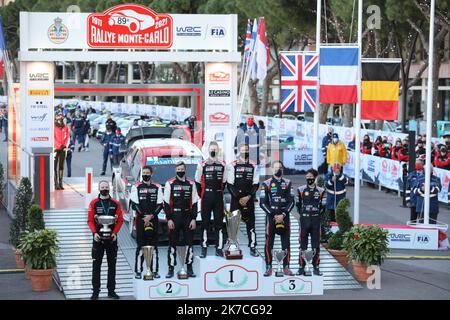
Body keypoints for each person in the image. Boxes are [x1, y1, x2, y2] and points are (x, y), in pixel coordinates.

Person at [87, 181, 123, 300]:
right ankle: (95, 292)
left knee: (112, 266)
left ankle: (111, 291)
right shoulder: (94, 203)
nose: (104, 189)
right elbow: (90, 220)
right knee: (96, 266)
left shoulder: (116, 203)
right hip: (98, 239)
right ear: (98, 188)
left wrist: (114, 233)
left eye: (106, 187)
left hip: (112, 239)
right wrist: (94, 233)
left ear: (109, 188)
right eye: (102, 187)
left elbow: (120, 220)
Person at [164, 161, 199, 278]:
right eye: (178, 170)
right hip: (174, 217)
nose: (180, 171)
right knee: (172, 244)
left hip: (188, 217)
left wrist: (194, 218)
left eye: (182, 169)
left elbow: (194, 202)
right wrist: (169, 219)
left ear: (185, 169)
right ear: (175, 170)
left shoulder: (191, 183)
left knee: (189, 244)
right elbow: (166, 203)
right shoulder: (170, 183)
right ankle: (171, 269)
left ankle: (189, 268)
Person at [260, 161, 294, 277]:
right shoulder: (266, 184)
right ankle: (269, 267)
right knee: (268, 243)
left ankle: (286, 267)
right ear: (271, 170)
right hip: (271, 217)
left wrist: (283, 215)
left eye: (279, 167)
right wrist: (273, 215)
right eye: (275, 168)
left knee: (286, 243)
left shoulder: (288, 183)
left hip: (285, 216)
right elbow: (262, 203)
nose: (277, 169)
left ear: (282, 169)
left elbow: (292, 202)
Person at [130, 166, 163, 279]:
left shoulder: (157, 187)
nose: (145, 174)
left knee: (154, 246)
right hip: (141, 220)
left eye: (147, 173)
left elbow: (160, 204)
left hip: (153, 219)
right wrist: (145, 217)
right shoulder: (136, 186)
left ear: (151, 174)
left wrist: (151, 216)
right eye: (144, 173)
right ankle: (138, 271)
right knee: (141, 246)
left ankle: (154, 271)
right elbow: (134, 204)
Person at [227, 143, 260, 257]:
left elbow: (256, 184)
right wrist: (239, 197)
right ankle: (232, 246)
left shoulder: (253, 165)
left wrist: (248, 197)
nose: (244, 152)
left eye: (246, 150)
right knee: (233, 224)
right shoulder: (232, 165)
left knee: (251, 224)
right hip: (236, 200)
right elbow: (229, 185)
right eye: (242, 150)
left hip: (249, 199)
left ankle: (252, 246)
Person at [195, 141, 227, 258]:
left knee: (219, 224)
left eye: (215, 149)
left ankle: (219, 248)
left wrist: (218, 191)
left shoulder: (223, 165)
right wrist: (202, 194)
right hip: (206, 197)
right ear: (208, 151)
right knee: (205, 223)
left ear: (218, 151)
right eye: (211, 149)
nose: (213, 151)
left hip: (218, 196)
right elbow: (197, 182)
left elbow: (224, 182)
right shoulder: (202, 165)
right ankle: (204, 248)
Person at [296, 169, 325, 276]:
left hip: (316, 220)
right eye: (307, 177)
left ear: (315, 177)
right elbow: (297, 205)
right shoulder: (300, 189)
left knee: (315, 245)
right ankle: (301, 267)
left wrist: (315, 213)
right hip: (304, 220)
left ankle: (316, 266)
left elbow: (323, 206)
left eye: (311, 177)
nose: (309, 179)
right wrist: (304, 214)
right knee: (302, 245)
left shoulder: (321, 191)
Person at [54, 112, 70, 190]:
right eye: (58, 116)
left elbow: (67, 137)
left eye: (61, 116)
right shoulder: (53, 127)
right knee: (54, 166)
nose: (60, 117)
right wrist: (58, 145)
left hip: (63, 149)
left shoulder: (65, 127)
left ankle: (60, 182)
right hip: (56, 149)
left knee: (61, 166)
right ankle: (55, 183)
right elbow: (53, 138)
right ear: (56, 117)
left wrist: (65, 145)